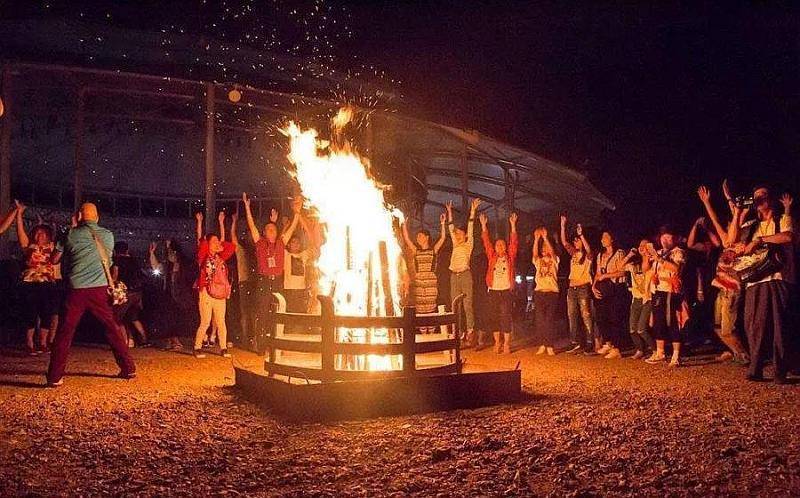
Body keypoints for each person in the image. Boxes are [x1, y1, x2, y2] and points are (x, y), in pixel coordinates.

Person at [46, 203, 136, 387]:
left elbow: (53, 259)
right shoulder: (108, 236)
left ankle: (55, 377)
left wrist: (71, 231)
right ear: (97, 217)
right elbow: (109, 261)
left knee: (65, 332)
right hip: (100, 289)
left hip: (76, 290)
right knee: (111, 327)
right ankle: (128, 368)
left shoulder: (70, 234)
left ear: (79, 216)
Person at [731, 187, 795, 383]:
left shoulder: (781, 219)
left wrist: (760, 240)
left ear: (770, 199)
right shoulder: (751, 226)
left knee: (779, 325)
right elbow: (731, 240)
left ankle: (779, 370)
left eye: (763, 195)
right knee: (754, 325)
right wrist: (737, 213)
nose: (759, 198)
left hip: (777, 277)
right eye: (756, 196)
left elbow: (788, 237)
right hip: (755, 279)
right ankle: (756, 367)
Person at [242, 193, 302, 349]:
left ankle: (276, 344)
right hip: (264, 281)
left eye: (273, 229)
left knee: (277, 311)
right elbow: (252, 226)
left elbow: (293, 227)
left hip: (277, 281)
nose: (271, 231)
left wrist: (297, 213)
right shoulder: (260, 243)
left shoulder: (281, 242)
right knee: (262, 313)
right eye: (268, 229)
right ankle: (260, 345)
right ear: (264, 232)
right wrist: (247, 208)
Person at [697, 185, 749, 364]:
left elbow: (735, 223)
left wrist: (735, 209)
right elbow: (716, 221)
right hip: (721, 288)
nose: (727, 227)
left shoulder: (740, 244)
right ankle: (736, 353)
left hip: (732, 290)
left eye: (731, 224)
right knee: (718, 328)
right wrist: (707, 203)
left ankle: (744, 356)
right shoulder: (727, 241)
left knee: (727, 330)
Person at [14, 201, 61, 355]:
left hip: (47, 283)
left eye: (42, 233)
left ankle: (42, 343)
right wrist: (19, 214)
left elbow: (62, 241)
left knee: (46, 313)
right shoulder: (29, 246)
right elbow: (20, 232)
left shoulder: (52, 246)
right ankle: (29, 343)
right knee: (30, 313)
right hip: (29, 283)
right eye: (36, 233)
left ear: (48, 236)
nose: (38, 235)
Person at [192, 211, 236, 358]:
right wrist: (200, 223)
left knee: (221, 321)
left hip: (220, 293)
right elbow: (202, 241)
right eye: (214, 241)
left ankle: (223, 348)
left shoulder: (220, 257)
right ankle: (197, 347)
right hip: (205, 291)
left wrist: (222, 225)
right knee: (205, 321)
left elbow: (230, 246)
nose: (218, 243)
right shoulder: (203, 256)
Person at [645, 226, 687, 367]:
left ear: (674, 239)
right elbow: (647, 269)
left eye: (668, 237)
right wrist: (646, 256)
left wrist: (660, 260)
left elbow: (676, 269)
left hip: (671, 291)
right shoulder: (659, 253)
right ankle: (660, 352)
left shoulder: (678, 252)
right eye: (663, 237)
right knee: (659, 322)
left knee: (672, 322)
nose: (665, 240)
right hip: (658, 290)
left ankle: (676, 355)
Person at [480, 212, 518, 354]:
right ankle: (497, 343)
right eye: (498, 245)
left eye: (502, 244)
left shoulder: (510, 257)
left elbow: (514, 242)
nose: (500, 246)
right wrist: (483, 225)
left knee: (505, 316)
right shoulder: (492, 256)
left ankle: (507, 344)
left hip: (506, 290)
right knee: (494, 316)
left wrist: (513, 225)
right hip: (493, 290)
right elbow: (486, 242)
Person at [402, 212, 447, 329]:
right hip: (419, 282)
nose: (418, 238)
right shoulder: (416, 251)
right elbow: (407, 240)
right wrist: (404, 227)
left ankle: (431, 333)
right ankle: (422, 334)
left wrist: (442, 223)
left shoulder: (433, 251)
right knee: (420, 308)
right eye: (417, 237)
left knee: (431, 307)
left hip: (431, 282)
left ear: (427, 237)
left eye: (420, 236)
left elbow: (442, 238)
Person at [149, 239, 195, 350]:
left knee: (174, 319)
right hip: (169, 296)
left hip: (178, 297)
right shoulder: (167, 266)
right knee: (168, 318)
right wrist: (152, 253)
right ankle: (171, 340)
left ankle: (176, 341)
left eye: (170, 250)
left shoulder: (182, 266)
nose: (169, 252)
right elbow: (156, 266)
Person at [446, 199, 480, 347]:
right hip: (454, 275)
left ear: (465, 236)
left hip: (465, 275)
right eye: (457, 234)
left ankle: (471, 331)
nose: (458, 235)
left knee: (467, 304)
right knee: (455, 306)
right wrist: (449, 213)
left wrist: (473, 211)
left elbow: (471, 227)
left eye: (460, 233)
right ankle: (458, 333)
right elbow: (450, 229)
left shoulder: (468, 244)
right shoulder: (455, 244)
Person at [560, 215, 595, 354]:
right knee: (572, 316)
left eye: (577, 240)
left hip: (583, 287)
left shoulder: (588, 256)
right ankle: (575, 342)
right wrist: (563, 225)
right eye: (575, 240)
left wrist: (582, 235)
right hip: (572, 289)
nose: (575, 242)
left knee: (586, 315)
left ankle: (589, 342)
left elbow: (589, 249)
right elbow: (564, 242)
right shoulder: (574, 254)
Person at [592, 230, 629, 359]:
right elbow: (597, 273)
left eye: (606, 237)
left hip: (616, 288)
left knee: (614, 317)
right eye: (602, 237)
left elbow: (623, 272)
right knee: (601, 317)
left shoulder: (619, 253)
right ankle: (608, 343)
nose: (603, 239)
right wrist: (593, 286)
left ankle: (617, 347)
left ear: (612, 239)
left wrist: (606, 276)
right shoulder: (600, 255)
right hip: (603, 288)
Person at [111, 241, 150, 348]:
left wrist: (111, 285)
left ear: (115, 251)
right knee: (134, 317)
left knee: (116, 318)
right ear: (127, 250)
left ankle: (124, 342)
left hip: (125, 292)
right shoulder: (134, 260)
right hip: (137, 293)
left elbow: (115, 276)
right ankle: (144, 340)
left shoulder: (117, 260)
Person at [625, 240, 656, 359]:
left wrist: (648, 255)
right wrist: (630, 255)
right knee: (632, 329)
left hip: (647, 298)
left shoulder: (652, 261)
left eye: (645, 245)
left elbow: (645, 269)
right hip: (636, 298)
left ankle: (655, 350)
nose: (642, 247)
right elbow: (619, 267)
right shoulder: (633, 264)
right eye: (640, 245)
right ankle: (640, 349)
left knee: (641, 329)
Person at [531, 227, 559, 355]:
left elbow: (552, 252)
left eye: (546, 247)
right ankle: (542, 344)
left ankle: (549, 345)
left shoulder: (555, 260)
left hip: (552, 292)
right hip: (539, 292)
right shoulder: (539, 261)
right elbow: (535, 254)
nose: (545, 249)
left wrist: (545, 238)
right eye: (543, 248)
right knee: (540, 319)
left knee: (549, 319)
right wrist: (537, 239)